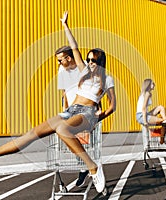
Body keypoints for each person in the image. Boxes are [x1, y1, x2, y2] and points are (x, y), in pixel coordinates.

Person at [0, 11, 116, 193]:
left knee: (62, 129)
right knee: (33, 133)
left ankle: (92, 167)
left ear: (100, 62)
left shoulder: (107, 79)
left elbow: (113, 105)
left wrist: (100, 115)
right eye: (88, 59)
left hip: (87, 113)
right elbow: (74, 48)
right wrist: (65, 25)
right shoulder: (83, 73)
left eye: (93, 60)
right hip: (72, 111)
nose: (89, 62)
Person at [55, 46, 116, 187]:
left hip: (85, 111)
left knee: (85, 142)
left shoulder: (85, 68)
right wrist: (65, 109)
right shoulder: (61, 70)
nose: (59, 63)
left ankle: (90, 167)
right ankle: (83, 166)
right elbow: (64, 92)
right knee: (68, 136)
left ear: (69, 58)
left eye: (61, 60)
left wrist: (97, 109)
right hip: (72, 109)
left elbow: (94, 90)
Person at [136, 78, 166, 144]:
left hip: (145, 114)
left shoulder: (148, 94)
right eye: (153, 84)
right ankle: (161, 138)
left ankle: (165, 120)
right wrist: (145, 121)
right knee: (164, 122)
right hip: (141, 115)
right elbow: (143, 108)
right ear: (148, 85)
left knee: (161, 107)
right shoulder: (147, 94)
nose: (154, 85)